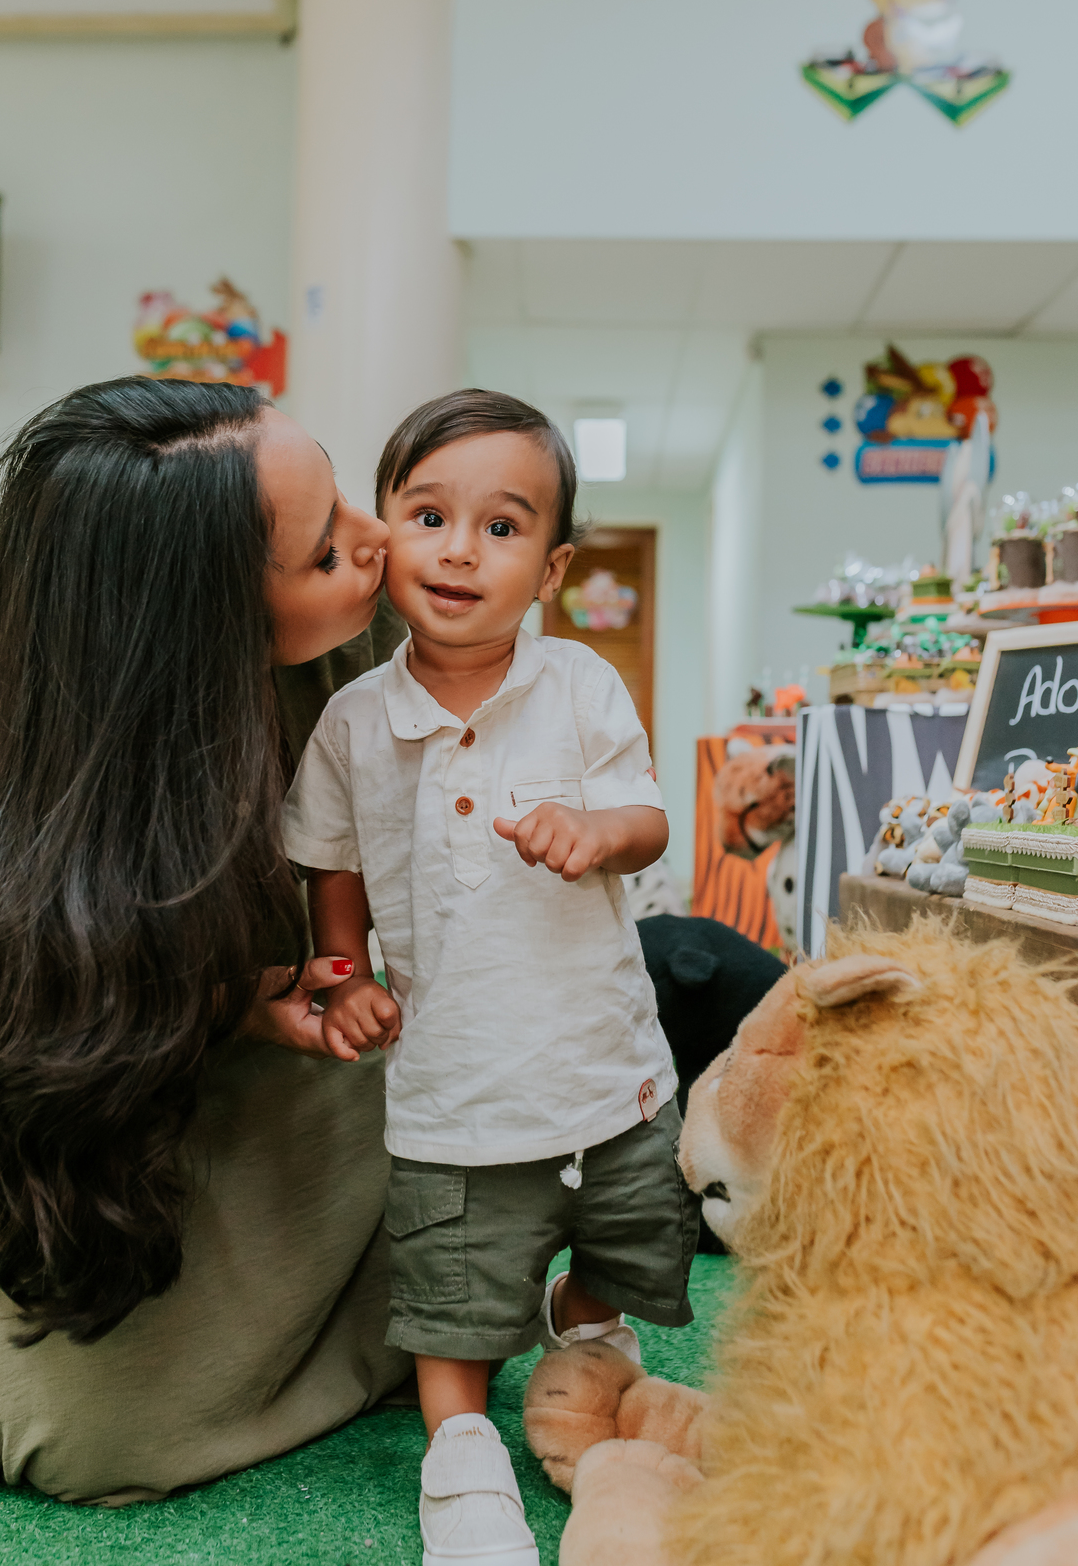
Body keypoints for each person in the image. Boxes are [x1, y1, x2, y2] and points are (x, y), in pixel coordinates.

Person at [0, 377, 411, 1504]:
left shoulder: (382, 653)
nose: (379, 538)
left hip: (325, 1098)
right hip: (109, 1155)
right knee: (78, 1424)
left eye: (346, 498)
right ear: (202, 633)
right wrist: (209, 1005)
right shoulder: (24, 781)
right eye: (324, 554)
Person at [281, 390, 700, 1566]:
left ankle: (587, 1322)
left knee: (634, 1225)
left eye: (502, 527)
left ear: (554, 566)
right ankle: (459, 1448)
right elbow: (333, 866)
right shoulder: (355, 722)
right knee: (451, 1274)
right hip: (453, 1078)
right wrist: (342, 974)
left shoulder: (579, 688)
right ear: (384, 533)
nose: (461, 549)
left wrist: (594, 830)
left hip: (605, 1059)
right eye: (429, 514)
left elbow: (651, 818)